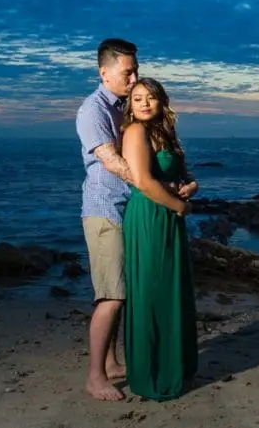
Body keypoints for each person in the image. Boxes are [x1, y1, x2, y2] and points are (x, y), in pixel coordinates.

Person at [120, 77, 200, 401]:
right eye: (137, 98)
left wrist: (191, 186)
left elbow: (181, 175)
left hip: (169, 216)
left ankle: (176, 365)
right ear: (130, 105)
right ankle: (151, 374)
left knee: (172, 290)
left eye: (150, 97)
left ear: (161, 101)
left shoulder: (165, 132)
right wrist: (182, 207)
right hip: (150, 216)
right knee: (152, 291)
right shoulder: (135, 131)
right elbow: (143, 181)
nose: (143, 104)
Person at [75, 38, 139, 402]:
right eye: (126, 72)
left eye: (135, 71)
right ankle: (95, 377)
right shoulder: (93, 110)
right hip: (103, 210)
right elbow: (112, 161)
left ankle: (112, 363)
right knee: (110, 296)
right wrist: (155, 185)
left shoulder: (124, 106)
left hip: (126, 208)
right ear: (104, 72)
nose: (133, 79)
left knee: (121, 292)